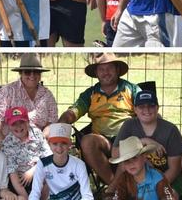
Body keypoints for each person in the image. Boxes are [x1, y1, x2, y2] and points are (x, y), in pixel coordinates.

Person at [58, 53, 140, 185]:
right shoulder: (90, 94)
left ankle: (113, 190)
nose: (105, 73)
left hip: (128, 139)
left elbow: (146, 109)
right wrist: (60, 124)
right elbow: (74, 111)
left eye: (109, 68)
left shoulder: (131, 89)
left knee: (129, 143)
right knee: (87, 141)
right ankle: (115, 187)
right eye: (101, 69)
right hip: (103, 141)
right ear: (96, 73)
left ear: (117, 70)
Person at [14, 123, 97, 200]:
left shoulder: (78, 164)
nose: (59, 148)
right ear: (49, 144)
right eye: (55, 143)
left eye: (63, 143)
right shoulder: (43, 164)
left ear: (69, 145)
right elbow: (34, 195)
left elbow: (88, 198)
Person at [94, 136, 180, 200]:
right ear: (122, 164)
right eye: (126, 161)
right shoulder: (123, 178)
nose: (131, 163)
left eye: (134, 158)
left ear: (144, 158)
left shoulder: (157, 177)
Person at [113, 90, 182, 195]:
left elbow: (174, 169)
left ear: (157, 108)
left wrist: (155, 188)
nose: (146, 110)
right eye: (141, 107)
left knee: (171, 198)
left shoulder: (170, 129)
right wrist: (143, 141)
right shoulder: (129, 125)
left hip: (166, 179)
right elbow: (115, 154)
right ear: (135, 109)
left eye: (151, 106)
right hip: (137, 178)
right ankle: (112, 190)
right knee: (125, 160)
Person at [0, 53, 58, 144]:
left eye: (36, 72)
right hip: (6, 144)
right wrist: (3, 143)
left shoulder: (47, 95)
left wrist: (41, 141)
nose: (32, 75)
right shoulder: (7, 92)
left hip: (37, 145)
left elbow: (52, 122)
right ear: (20, 73)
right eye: (27, 72)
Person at [0, 106, 52, 200]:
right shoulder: (8, 143)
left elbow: (48, 157)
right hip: (20, 181)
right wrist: (26, 199)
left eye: (22, 122)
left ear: (28, 122)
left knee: (50, 175)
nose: (18, 126)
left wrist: (32, 171)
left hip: (38, 173)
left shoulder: (37, 133)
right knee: (21, 196)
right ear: (8, 125)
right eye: (14, 124)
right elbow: (12, 172)